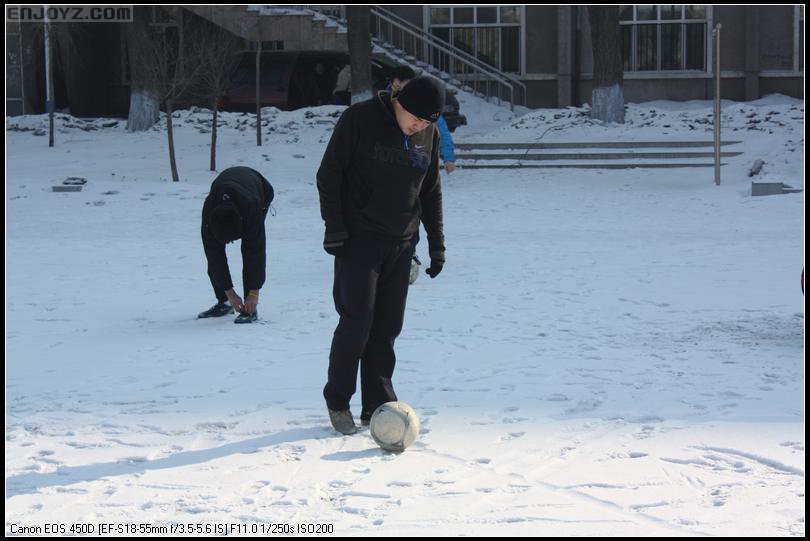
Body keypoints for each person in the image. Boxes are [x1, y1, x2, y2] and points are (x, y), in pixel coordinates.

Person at [317, 76, 447, 434]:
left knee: (388, 326)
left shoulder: (428, 135)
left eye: (426, 123)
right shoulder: (359, 119)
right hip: (358, 241)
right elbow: (329, 175)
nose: (419, 127)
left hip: (402, 243)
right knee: (357, 321)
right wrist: (334, 228)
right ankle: (338, 400)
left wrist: (436, 244)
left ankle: (376, 404)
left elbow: (430, 190)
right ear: (399, 101)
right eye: (417, 119)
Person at [198, 166, 274, 324]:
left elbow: (256, 252)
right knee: (214, 255)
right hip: (228, 186)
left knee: (249, 248)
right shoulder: (209, 214)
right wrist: (229, 293)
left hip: (260, 190)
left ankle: (250, 306)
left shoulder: (251, 209)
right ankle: (224, 302)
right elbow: (214, 257)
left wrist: (254, 293)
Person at [388, 66, 456, 174]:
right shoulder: (383, 106)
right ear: (391, 85)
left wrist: (448, 158)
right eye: (397, 87)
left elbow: (441, 132)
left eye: (405, 88)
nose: (401, 92)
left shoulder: (427, 104)